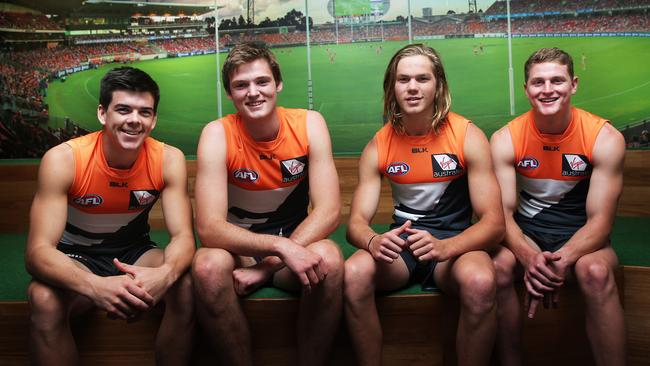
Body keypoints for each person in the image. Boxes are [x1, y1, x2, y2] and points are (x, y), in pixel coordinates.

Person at [344, 43, 505, 366]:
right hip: (403, 246)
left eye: (422, 78)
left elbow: (494, 224)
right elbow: (356, 224)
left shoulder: (467, 136)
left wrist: (446, 248)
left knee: (481, 281)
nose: (413, 87)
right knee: (353, 274)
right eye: (403, 79)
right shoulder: (378, 145)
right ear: (392, 87)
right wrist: (373, 241)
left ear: (438, 85)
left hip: (455, 245)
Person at [25, 67, 196, 365]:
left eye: (145, 112)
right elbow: (37, 253)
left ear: (153, 119)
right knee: (43, 298)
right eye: (123, 109)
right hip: (76, 256)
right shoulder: (64, 159)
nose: (134, 120)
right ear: (103, 114)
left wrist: (164, 276)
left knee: (185, 286)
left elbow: (183, 237)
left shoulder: (169, 159)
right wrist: (96, 287)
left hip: (134, 252)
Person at [192, 42, 343, 366]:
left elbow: (329, 211)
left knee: (329, 258)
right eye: (241, 85)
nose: (253, 92)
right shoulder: (217, 134)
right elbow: (209, 228)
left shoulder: (309, 123)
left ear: (278, 84)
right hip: (241, 251)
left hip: (295, 247)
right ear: (230, 95)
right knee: (206, 267)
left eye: (262, 81)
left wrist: (270, 264)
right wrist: (278, 248)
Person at [491, 47, 626, 366]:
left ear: (574, 84)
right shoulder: (505, 139)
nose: (548, 89)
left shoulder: (604, 138)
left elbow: (600, 223)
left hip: (582, 233)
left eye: (557, 80)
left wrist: (561, 260)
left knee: (594, 272)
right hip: (529, 233)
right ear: (526, 89)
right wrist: (529, 257)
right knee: (497, 269)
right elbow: (502, 217)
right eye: (538, 82)